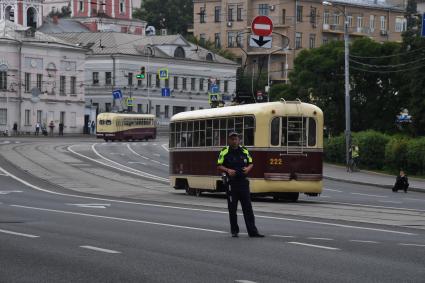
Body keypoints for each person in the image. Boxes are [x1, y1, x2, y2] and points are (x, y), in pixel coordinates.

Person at [217, 132, 264, 238]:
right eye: (232, 139)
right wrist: (228, 170)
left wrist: (248, 168)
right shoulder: (224, 151)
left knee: (248, 208)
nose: (234, 141)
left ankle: (253, 232)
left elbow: (251, 163)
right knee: (232, 208)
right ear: (229, 140)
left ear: (239, 140)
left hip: (243, 182)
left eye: (236, 139)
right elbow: (219, 165)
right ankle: (234, 230)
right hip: (231, 183)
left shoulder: (244, 150)